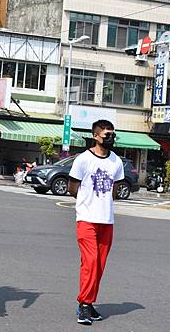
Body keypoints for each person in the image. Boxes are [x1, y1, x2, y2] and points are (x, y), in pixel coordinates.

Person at [68, 119, 124, 325]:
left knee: (99, 265)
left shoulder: (116, 161)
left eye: (112, 134)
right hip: (87, 219)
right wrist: (87, 202)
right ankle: (83, 304)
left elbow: (116, 189)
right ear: (95, 136)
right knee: (90, 263)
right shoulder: (83, 159)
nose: (110, 138)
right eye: (106, 135)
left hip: (106, 220)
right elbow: (72, 187)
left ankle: (89, 303)